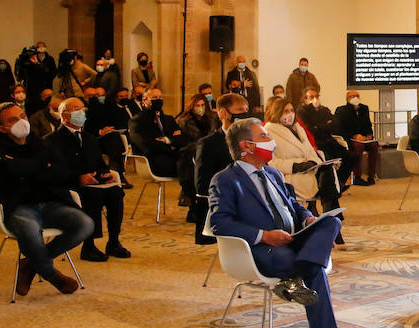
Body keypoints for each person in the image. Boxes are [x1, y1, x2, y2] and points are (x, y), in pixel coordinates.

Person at [209, 118, 364, 328]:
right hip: (262, 249)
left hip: (293, 239)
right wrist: (263, 235)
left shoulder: (272, 172)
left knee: (331, 223)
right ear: (245, 146)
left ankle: (297, 277)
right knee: (312, 271)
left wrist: (307, 217)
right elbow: (219, 222)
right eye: (262, 137)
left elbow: (293, 204)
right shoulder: (225, 179)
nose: (270, 143)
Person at [0, 102, 94, 296]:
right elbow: (5, 169)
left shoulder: (41, 143)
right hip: (17, 205)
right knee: (31, 231)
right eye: (13, 120)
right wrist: (42, 166)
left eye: (23, 116)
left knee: (85, 224)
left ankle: (31, 264)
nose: (22, 122)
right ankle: (51, 274)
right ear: (1, 127)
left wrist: (25, 171)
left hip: (49, 202)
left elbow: (63, 170)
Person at [48, 97, 129, 261]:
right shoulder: (51, 140)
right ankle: (89, 245)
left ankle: (113, 242)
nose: (82, 113)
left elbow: (99, 163)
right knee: (93, 196)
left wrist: (105, 174)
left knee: (116, 193)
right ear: (66, 115)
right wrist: (78, 178)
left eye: (82, 109)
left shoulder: (89, 138)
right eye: (77, 109)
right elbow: (54, 170)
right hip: (69, 185)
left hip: (93, 182)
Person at [263, 97, 341, 217]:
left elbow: (310, 151)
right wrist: (296, 166)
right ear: (276, 112)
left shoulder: (298, 128)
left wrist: (312, 162)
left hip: (308, 169)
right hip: (290, 174)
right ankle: (332, 214)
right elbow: (270, 162)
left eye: (292, 110)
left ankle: (330, 213)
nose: (290, 114)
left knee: (326, 169)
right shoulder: (268, 131)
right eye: (285, 111)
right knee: (326, 176)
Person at [191, 92, 250, 245]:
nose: (244, 115)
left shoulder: (253, 141)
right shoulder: (209, 144)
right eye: (239, 111)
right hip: (226, 200)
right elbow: (203, 185)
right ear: (224, 113)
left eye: (246, 110)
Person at [128, 88, 195, 206]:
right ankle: (191, 200)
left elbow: (184, 139)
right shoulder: (137, 121)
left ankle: (190, 200)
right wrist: (173, 146)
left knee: (190, 156)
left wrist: (168, 140)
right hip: (155, 161)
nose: (158, 100)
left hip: (176, 159)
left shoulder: (169, 119)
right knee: (191, 164)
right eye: (154, 98)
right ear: (145, 100)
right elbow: (147, 145)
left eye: (160, 98)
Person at [334, 91, 379, 186]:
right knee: (358, 147)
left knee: (374, 146)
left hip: (363, 139)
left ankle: (371, 176)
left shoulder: (364, 108)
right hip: (349, 139)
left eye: (357, 96)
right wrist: (354, 136)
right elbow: (339, 129)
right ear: (347, 99)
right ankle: (357, 176)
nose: (355, 98)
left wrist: (369, 135)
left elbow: (368, 125)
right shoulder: (341, 110)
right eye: (352, 96)